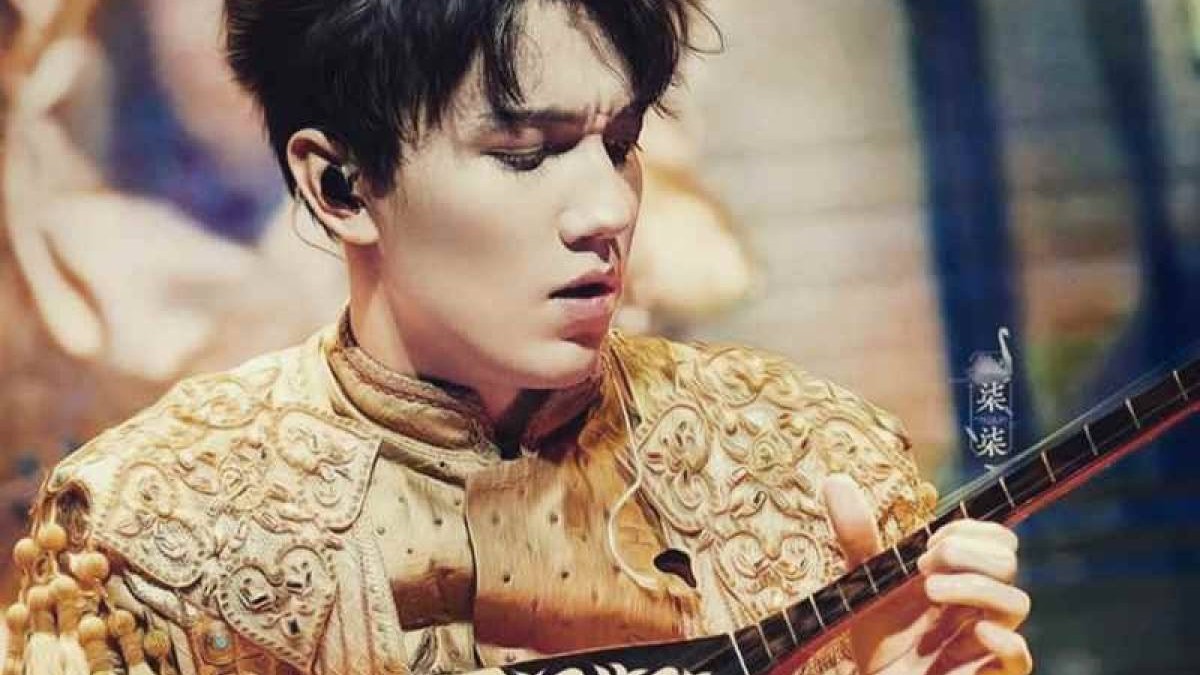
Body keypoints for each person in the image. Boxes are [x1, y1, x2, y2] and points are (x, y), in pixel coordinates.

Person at [1, 1, 1032, 674]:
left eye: (619, 143)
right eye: (527, 154)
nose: (609, 211)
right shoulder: (151, 535)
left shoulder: (810, 469)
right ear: (340, 184)